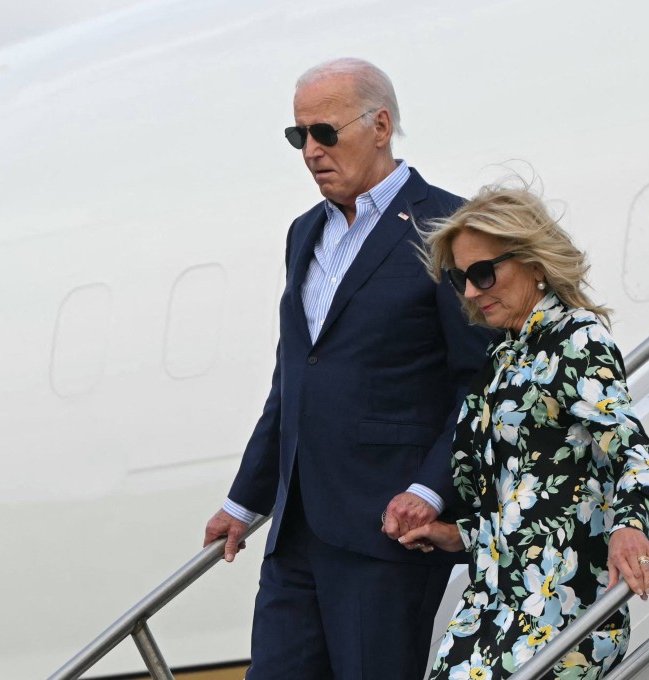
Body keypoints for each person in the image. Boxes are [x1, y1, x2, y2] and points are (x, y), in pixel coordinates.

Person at [201, 58, 495, 679]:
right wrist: (244, 501)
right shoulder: (303, 233)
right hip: (296, 530)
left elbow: (480, 380)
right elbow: (295, 380)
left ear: (381, 125)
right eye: (297, 136)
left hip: (386, 531)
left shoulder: (450, 226)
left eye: (324, 133)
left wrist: (429, 489)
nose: (309, 151)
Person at [402, 184, 649, 679]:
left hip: (561, 609)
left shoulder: (576, 338)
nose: (472, 292)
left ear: (535, 263)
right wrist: (458, 534)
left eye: (484, 273)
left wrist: (630, 528)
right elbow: (531, 501)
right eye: (461, 279)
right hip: (492, 607)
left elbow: (635, 455)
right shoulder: (501, 360)